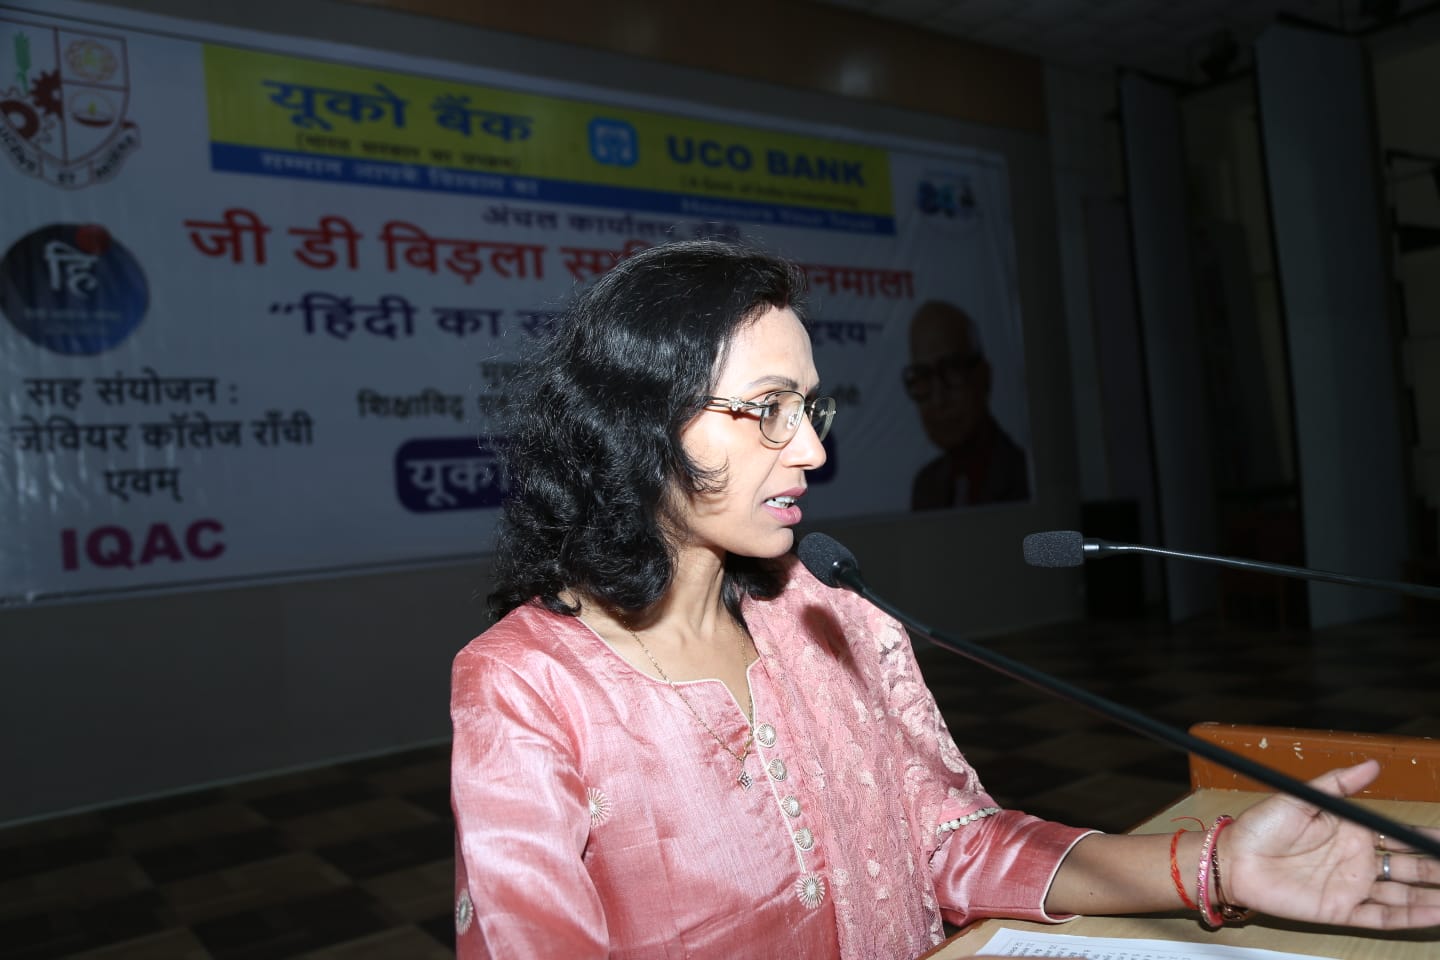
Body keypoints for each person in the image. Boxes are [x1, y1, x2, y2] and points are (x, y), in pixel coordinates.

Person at [451, 240, 1439, 958]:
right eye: (767, 409)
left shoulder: (832, 615)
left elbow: (952, 844)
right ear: (637, 424)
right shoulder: (526, 687)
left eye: (810, 407)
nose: (812, 449)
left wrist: (1217, 868)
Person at [903, 300, 1029, 510]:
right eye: (923, 377)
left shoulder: (1026, 477)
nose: (939, 400)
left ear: (984, 377)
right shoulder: (926, 487)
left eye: (952, 370)